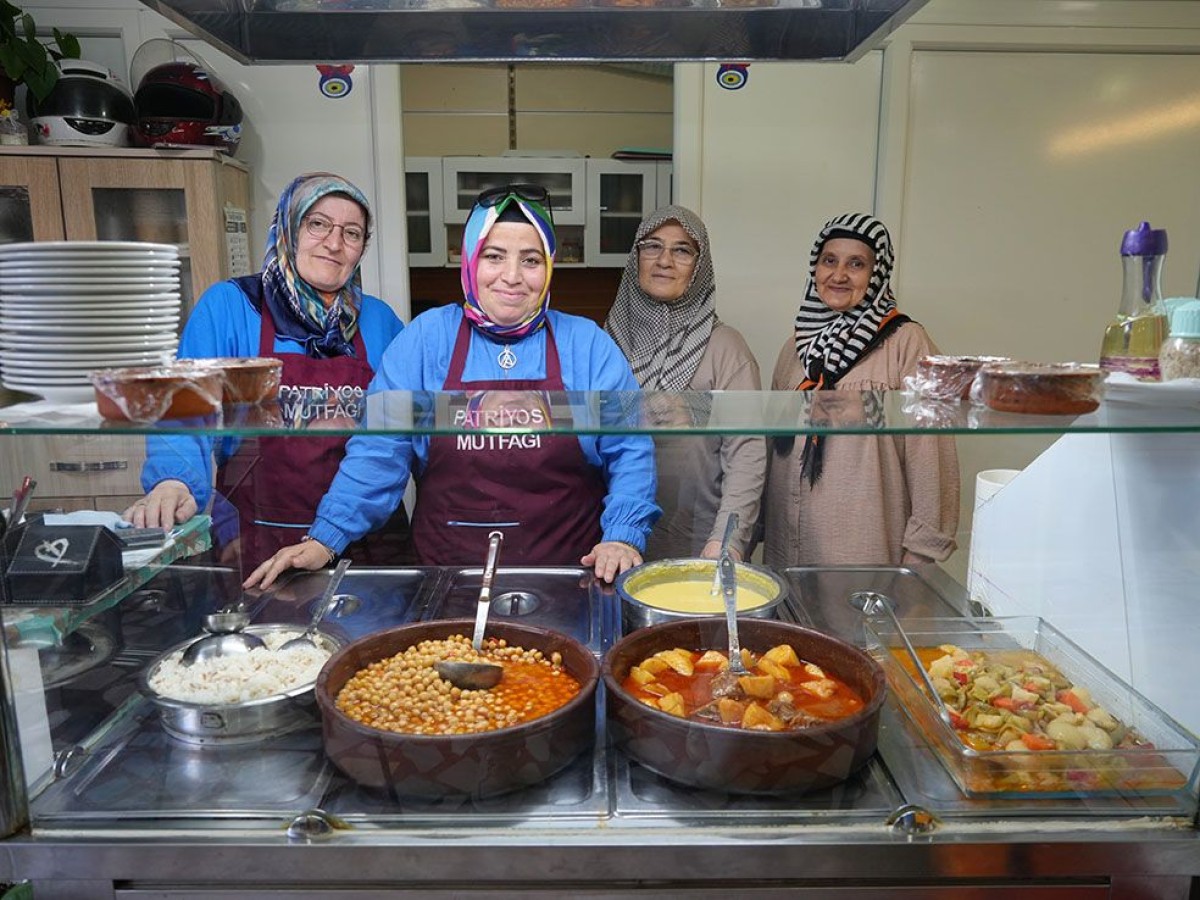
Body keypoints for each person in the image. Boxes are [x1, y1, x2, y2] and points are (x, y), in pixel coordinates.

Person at [245, 183, 659, 588]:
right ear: (470, 261)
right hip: (446, 577)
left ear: (550, 266)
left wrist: (622, 534)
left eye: (531, 260)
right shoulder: (427, 339)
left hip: (570, 575)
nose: (512, 277)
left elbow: (630, 450)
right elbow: (380, 451)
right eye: (494, 256)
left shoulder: (586, 344)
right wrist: (326, 537)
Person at [124, 171, 408, 569]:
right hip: (255, 535)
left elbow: (396, 438)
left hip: (363, 540)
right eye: (317, 224)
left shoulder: (379, 321)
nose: (334, 243)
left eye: (352, 232)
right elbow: (183, 408)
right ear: (288, 227)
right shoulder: (230, 307)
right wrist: (175, 479)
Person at [763, 212, 959, 567]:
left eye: (856, 264)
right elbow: (770, 448)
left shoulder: (907, 342)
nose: (838, 275)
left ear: (876, 274)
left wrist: (922, 551)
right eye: (829, 261)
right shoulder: (794, 349)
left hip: (864, 546)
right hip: (786, 545)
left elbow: (931, 451)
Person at [605, 205, 764, 561]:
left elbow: (746, 453)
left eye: (682, 250)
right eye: (652, 246)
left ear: (700, 266)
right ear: (636, 258)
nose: (664, 260)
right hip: (614, 543)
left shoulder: (726, 346)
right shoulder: (607, 343)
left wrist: (727, 541)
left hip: (701, 544)